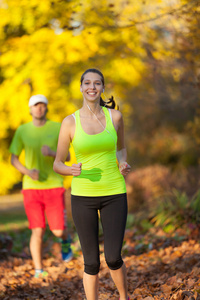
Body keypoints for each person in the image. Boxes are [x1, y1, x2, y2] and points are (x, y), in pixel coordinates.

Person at [53, 68, 131, 300]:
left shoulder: (115, 117)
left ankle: (124, 297)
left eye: (97, 83)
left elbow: (122, 148)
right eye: (87, 83)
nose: (92, 87)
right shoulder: (69, 122)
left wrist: (123, 163)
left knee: (114, 257)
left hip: (114, 192)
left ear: (103, 88)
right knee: (91, 262)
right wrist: (69, 169)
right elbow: (58, 162)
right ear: (81, 87)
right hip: (83, 196)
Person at [9, 94, 73, 278]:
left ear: (46, 108)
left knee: (58, 230)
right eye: (35, 105)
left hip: (54, 185)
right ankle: (38, 270)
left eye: (42, 105)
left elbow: (67, 157)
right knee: (37, 229)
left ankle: (65, 240)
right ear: (30, 109)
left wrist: (53, 153)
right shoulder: (22, 130)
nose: (39, 108)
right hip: (31, 187)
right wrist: (28, 172)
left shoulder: (57, 127)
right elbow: (13, 159)